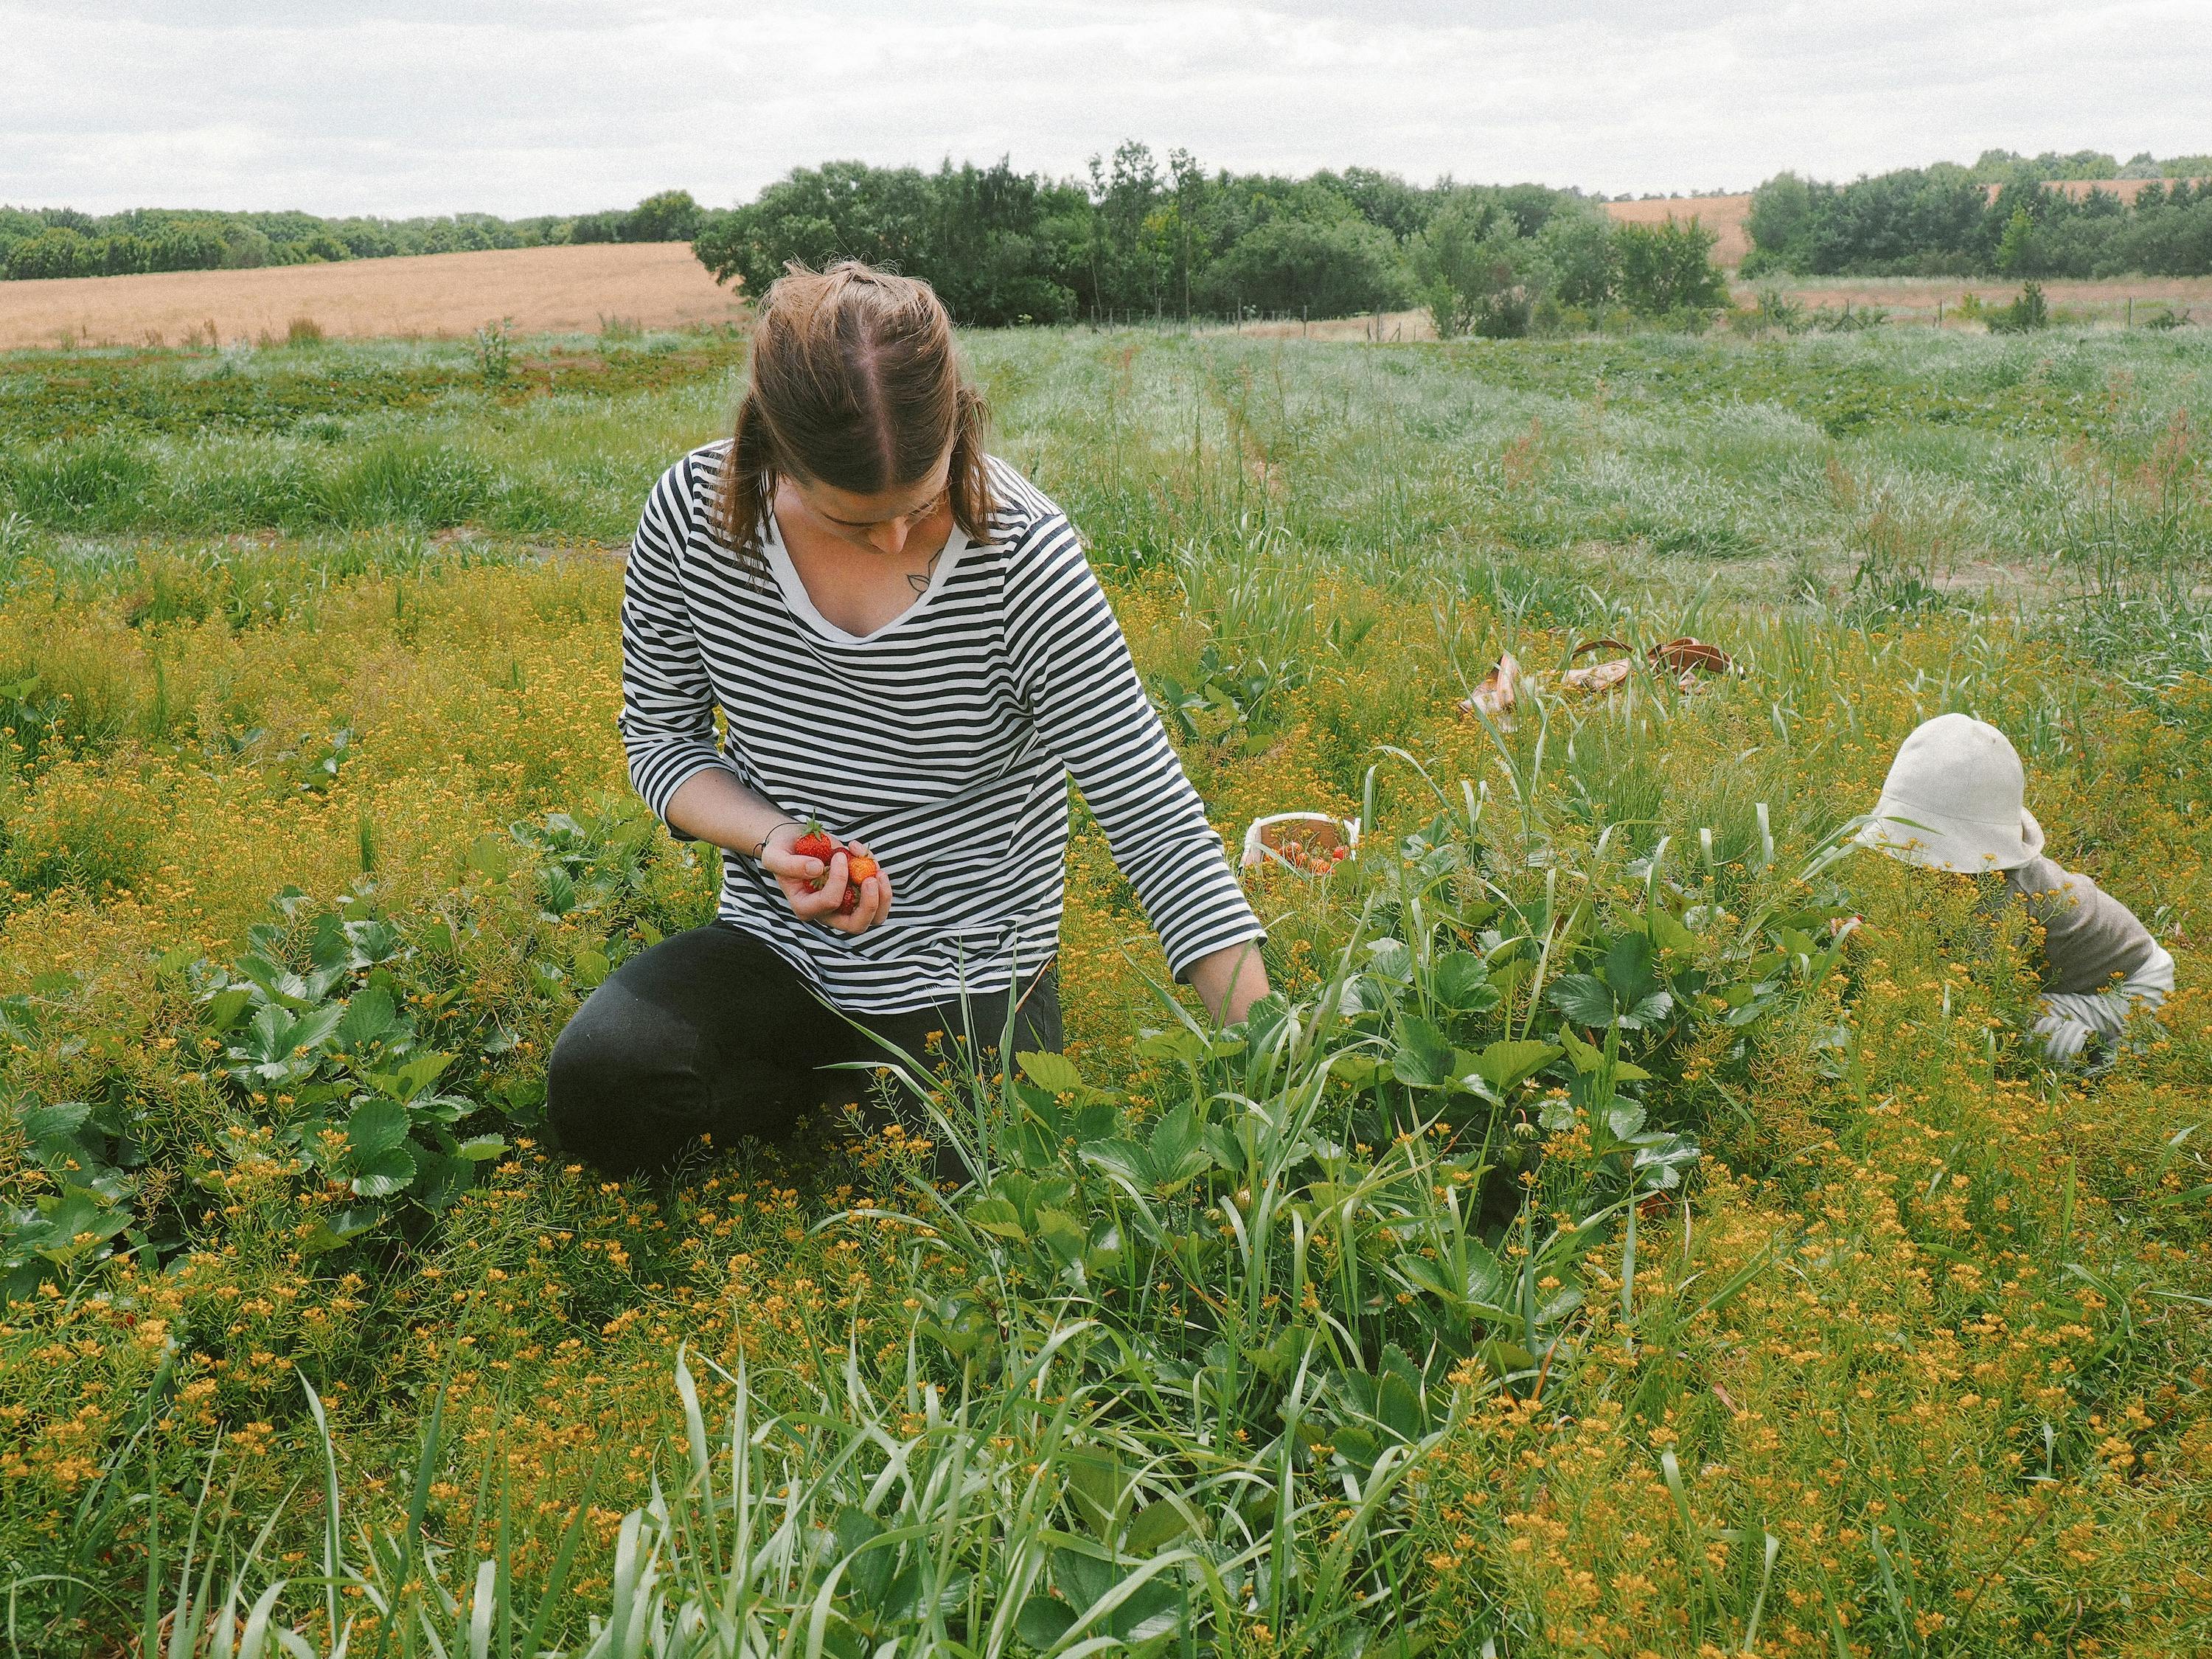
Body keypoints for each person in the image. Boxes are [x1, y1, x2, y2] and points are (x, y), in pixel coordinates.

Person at [547, 261, 1270, 1180]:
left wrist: (1268, 1062)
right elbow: (661, 739)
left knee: (958, 1170)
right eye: (857, 524)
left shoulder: (1028, 560)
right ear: (773, 449)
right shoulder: (693, 519)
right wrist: (773, 841)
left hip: (971, 966)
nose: (895, 541)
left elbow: (1155, 820)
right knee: (599, 1088)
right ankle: (821, 1081)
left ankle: (854, 1093)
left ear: (960, 426)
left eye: (921, 505)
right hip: (777, 948)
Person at [1855, 712, 2173, 1064]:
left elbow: (1974, 993)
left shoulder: (2007, 896)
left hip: (2132, 992)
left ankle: (2105, 1062)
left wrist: (1876, 951)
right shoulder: (1959, 880)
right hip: (2080, 980)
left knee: (1994, 1020)